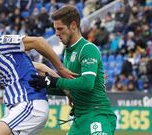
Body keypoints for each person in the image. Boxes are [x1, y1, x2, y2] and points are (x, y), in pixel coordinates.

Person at [29, 5, 117, 135]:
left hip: (98, 115)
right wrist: (43, 85)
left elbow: (87, 83)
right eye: (55, 29)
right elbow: (70, 88)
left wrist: (54, 82)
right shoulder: (68, 53)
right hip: (80, 119)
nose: (57, 33)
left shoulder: (87, 49)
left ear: (73, 25)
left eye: (60, 29)